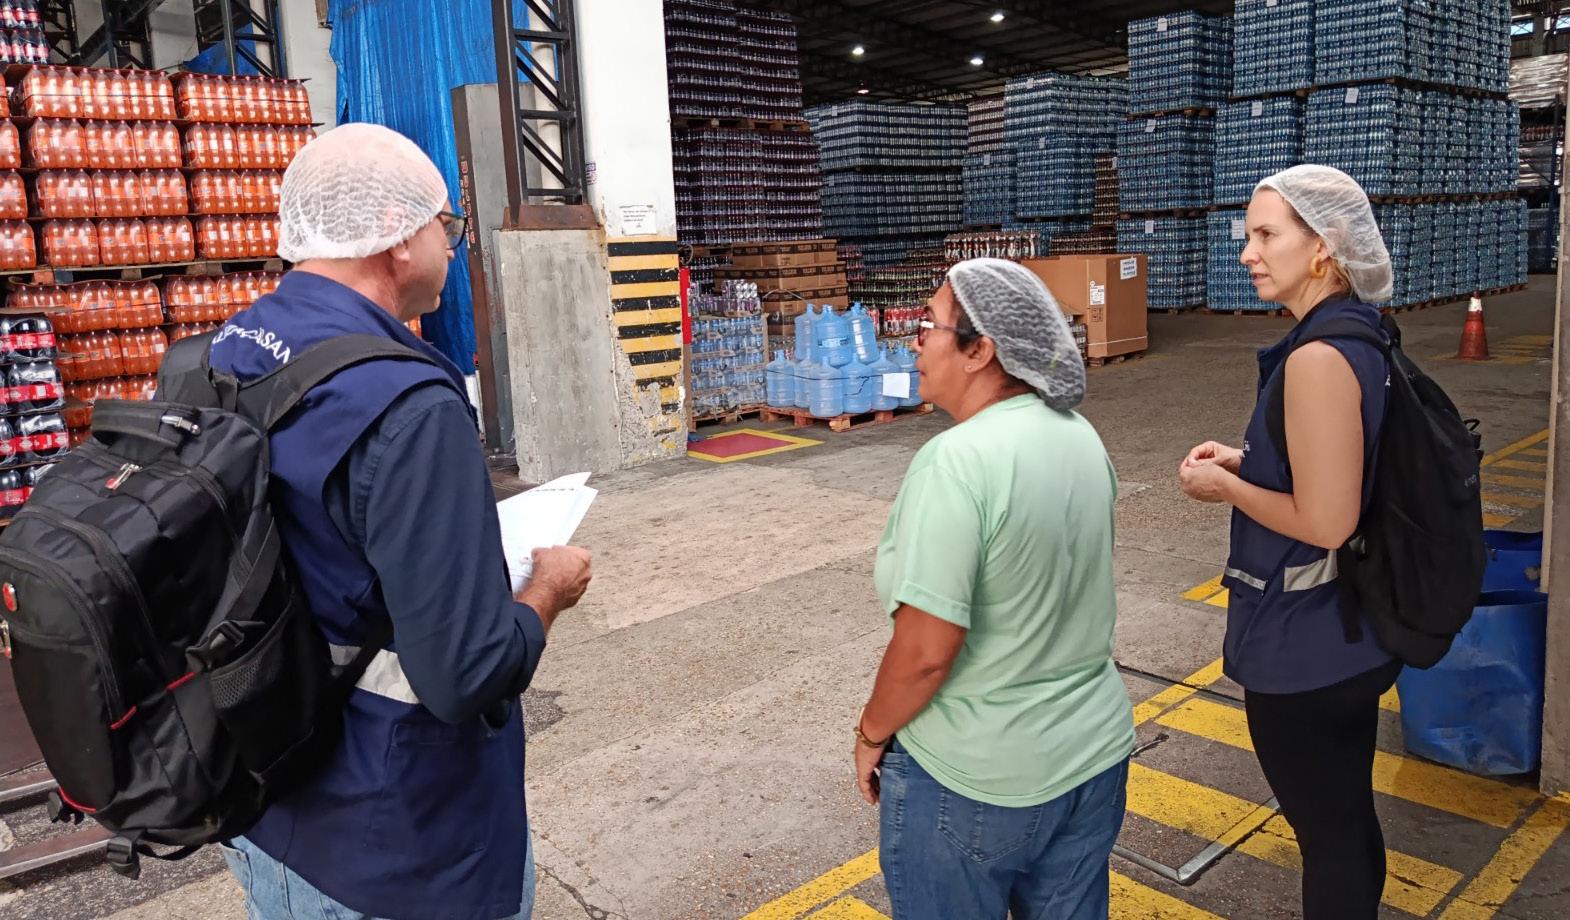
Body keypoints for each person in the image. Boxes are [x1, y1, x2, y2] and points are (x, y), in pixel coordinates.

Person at [206, 123, 592, 920]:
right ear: (396, 238)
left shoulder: (224, 352)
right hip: (394, 848)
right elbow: (467, 675)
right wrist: (547, 590)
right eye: (445, 225)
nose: (450, 244)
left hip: (260, 802)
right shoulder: (408, 406)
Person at [856, 258, 1134, 919]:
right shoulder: (1079, 436)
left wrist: (871, 735)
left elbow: (926, 654)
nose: (914, 340)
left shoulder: (956, 462)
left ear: (980, 350)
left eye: (929, 324)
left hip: (977, 778)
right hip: (1092, 756)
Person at [1178, 164, 1400, 919]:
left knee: (1330, 836)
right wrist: (1251, 461)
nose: (1248, 252)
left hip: (1307, 647)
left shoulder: (1317, 358)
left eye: (1267, 234)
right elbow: (1334, 464)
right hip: (1347, 632)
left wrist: (1226, 487)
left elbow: (1328, 520)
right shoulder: (1353, 332)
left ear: (1324, 246)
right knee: (1345, 818)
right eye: (1248, 236)